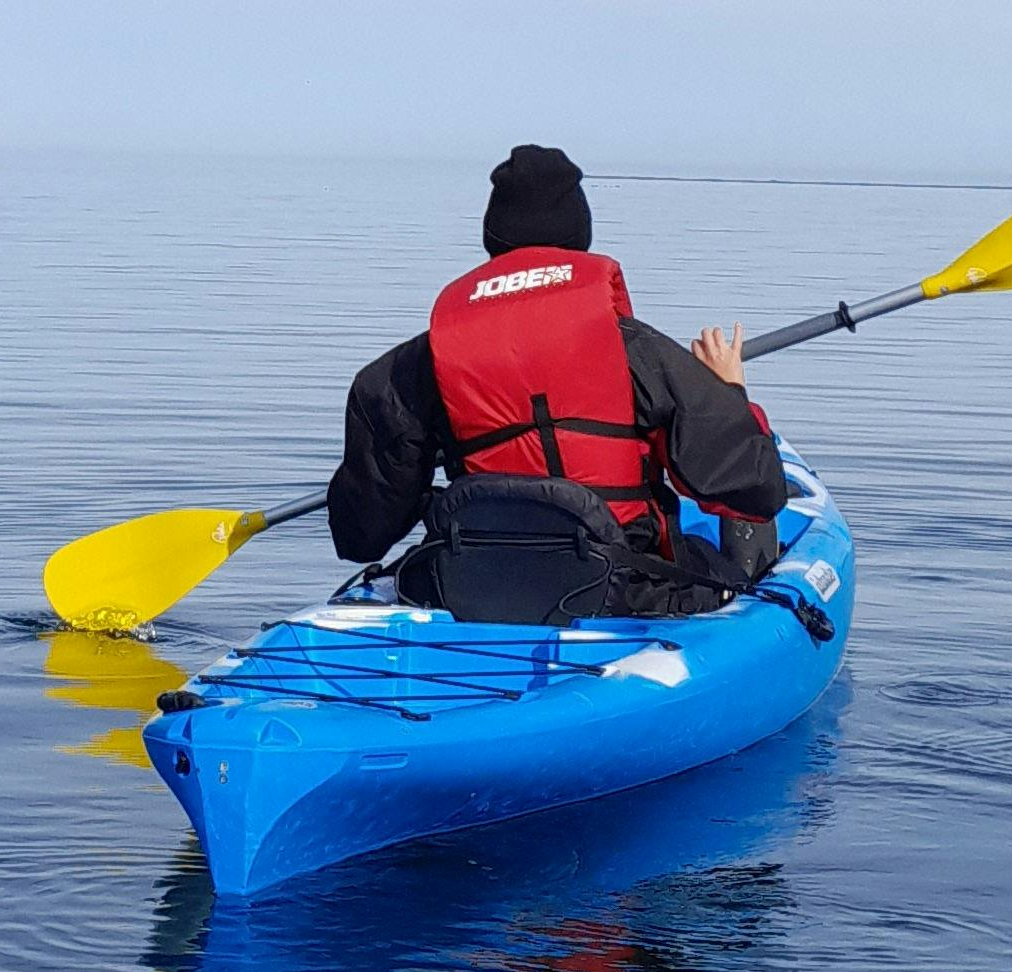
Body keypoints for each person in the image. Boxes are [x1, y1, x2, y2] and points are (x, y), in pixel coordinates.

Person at [327, 144, 792, 618]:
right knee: (740, 573)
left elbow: (361, 534)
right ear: (579, 236)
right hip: (620, 590)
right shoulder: (635, 351)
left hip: (469, 588)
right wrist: (731, 391)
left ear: (493, 238)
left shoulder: (412, 369)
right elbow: (756, 490)